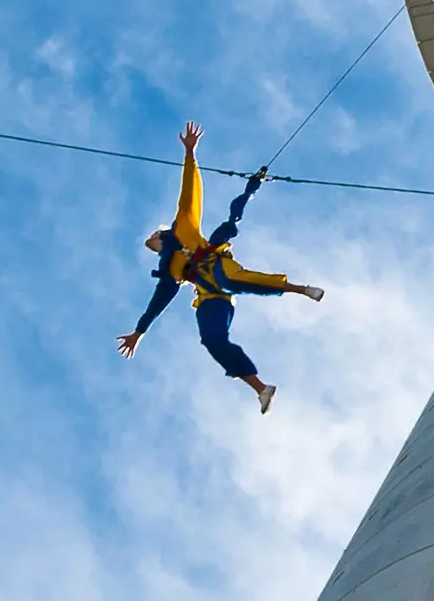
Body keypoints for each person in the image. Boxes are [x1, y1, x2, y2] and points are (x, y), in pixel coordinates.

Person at [118, 122, 323, 413]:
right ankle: (261, 388)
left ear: (159, 236)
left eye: (152, 240)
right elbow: (159, 301)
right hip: (211, 297)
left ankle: (301, 289)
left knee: (235, 279)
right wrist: (139, 332)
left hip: (218, 269)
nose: (151, 245)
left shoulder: (182, 229)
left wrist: (190, 153)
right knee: (211, 340)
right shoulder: (170, 271)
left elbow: (188, 192)